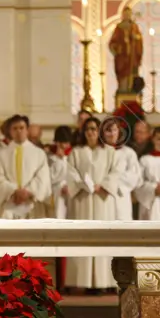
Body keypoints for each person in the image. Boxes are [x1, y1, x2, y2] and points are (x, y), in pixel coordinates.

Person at [65, 117, 120, 291]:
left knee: (103, 238)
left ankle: (104, 282)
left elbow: (115, 173)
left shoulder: (110, 152)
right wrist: (83, 184)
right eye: (88, 129)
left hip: (102, 200)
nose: (91, 132)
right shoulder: (76, 152)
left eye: (94, 129)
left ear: (100, 132)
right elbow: (70, 174)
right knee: (83, 238)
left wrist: (102, 185)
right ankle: (83, 281)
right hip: (83, 199)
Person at [0, 115, 52, 219]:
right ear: (10, 132)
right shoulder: (2, 154)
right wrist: (14, 191)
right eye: (15, 128)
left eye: (21, 128)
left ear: (27, 130)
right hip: (10, 205)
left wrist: (28, 192)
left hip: (32, 205)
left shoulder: (38, 153)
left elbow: (42, 177)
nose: (18, 131)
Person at [100, 117, 141, 221]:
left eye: (115, 130)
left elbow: (134, 175)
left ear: (119, 131)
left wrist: (111, 182)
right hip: (101, 196)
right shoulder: (98, 152)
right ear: (102, 133)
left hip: (120, 197)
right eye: (108, 130)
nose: (112, 134)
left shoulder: (128, 153)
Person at [48, 126, 73, 219]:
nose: (65, 146)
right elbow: (51, 177)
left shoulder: (73, 155)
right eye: (63, 143)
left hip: (70, 193)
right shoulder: (50, 158)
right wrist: (60, 160)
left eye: (67, 143)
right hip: (56, 193)